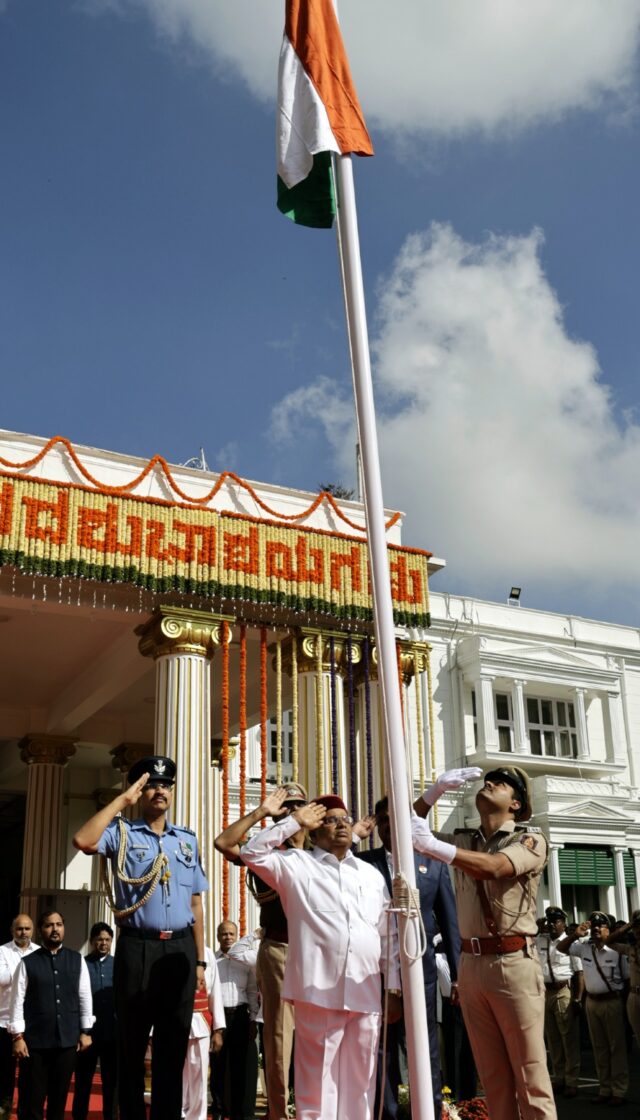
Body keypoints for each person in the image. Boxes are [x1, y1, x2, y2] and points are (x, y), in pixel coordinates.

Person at [240, 788, 402, 1120]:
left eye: (345, 820)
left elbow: (388, 937)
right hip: (319, 990)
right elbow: (251, 852)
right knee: (318, 1084)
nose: (341, 825)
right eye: (330, 820)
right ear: (315, 828)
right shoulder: (296, 865)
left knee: (361, 1082)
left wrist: (394, 987)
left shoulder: (371, 876)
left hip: (366, 989)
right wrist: (292, 821)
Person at [411, 765, 557, 1120]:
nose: (491, 783)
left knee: (530, 1075)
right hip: (472, 965)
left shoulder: (530, 839)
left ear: (517, 804)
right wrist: (432, 794)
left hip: (513, 963)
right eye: (490, 779)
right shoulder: (464, 839)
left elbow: (494, 867)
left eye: (503, 783)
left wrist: (434, 846)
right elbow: (406, 828)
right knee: (492, 1080)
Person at [72, 754, 209, 1120]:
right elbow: (83, 839)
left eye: (165, 785)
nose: (159, 791)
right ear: (139, 791)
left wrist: (199, 960)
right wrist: (121, 801)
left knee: (173, 1046)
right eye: (150, 785)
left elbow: (195, 904)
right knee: (131, 1047)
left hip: (179, 949)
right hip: (137, 947)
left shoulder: (186, 841)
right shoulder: (122, 833)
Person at [356, 794, 462, 1118]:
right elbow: (327, 865)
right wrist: (354, 836)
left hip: (421, 969)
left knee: (424, 1046)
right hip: (374, 973)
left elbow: (450, 922)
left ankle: (428, 1109)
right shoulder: (362, 862)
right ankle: (385, 1112)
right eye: (383, 820)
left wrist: (458, 975)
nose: (389, 826)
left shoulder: (433, 863)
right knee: (380, 1046)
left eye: (394, 819)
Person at [214, 781, 309, 1120]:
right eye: (285, 806)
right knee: (279, 1037)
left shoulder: (317, 854)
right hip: (281, 948)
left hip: (316, 951)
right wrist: (261, 812)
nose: (290, 812)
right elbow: (224, 843)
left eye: (296, 806)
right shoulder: (264, 855)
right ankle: (279, 1112)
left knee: (319, 1033)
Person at [9, 911, 93, 1120]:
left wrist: (86, 1031)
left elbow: (85, 997)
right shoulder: (27, 962)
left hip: (66, 1043)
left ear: (64, 927)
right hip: (34, 1045)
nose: (55, 929)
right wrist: (18, 1037)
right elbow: (17, 1001)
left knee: (59, 1101)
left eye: (59, 925)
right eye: (49, 925)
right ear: (40, 930)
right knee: (32, 1102)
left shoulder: (77, 960)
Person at [557, 912, 629, 1106]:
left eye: (601, 925)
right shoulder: (584, 948)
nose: (596, 928)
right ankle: (604, 1088)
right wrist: (575, 935)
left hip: (611, 1001)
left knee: (616, 1047)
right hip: (592, 1002)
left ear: (609, 929)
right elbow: (561, 947)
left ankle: (619, 1091)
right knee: (600, 1048)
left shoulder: (618, 951)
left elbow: (627, 979)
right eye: (594, 925)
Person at [211, 920, 259, 1120]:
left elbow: (251, 991)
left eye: (231, 934)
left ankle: (240, 1112)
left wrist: (253, 1019)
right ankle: (219, 1110)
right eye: (224, 934)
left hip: (240, 1016)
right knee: (218, 1066)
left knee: (241, 1067)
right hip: (219, 1017)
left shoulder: (245, 961)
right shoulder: (212, 961)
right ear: (217, 936)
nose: (228, 937)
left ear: (237, 936)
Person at [534, 906, 583, 1099]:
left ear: (564, 923)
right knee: (553, 1039)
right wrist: (537, 928)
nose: (552, 925)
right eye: (550, 921)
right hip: (545, 992)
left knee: (568, 1038)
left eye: (556, 921)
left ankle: (572, 1080)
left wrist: (578, 998)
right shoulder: (540, 940)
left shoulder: (569, 942)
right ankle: (559, 1077)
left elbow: (579, 973)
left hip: (564, 990)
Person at [71, 922, 117, 1120]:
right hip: (87, 1034)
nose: (103, 943)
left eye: (107, 940)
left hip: (112, 1033)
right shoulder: (81, 964)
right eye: (99, 939)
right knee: (83, 1080)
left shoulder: (118, 964)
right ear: (91, 941)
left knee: (111, 1083)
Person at [0, 914, 37, 1120]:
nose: (23, 933)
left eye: (27, 929)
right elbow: (1, 978)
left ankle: (25, 1114)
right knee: (4, 1076)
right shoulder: (2, 951)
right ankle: (3, 1113)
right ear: (12, 930)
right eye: (19, 929)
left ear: (33, 930)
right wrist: (26, 971)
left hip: (30, 1024)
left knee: (29, 1077)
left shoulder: (40, 952)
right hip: (3, 1022)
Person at [182, 945, 225, 1120]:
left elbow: (215, 990)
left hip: (201, 1020)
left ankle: (197, 1116)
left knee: (199, 1073)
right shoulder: (169, 947)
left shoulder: (207, 953)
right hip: (174, 1020)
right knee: (175, 1072)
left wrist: (218, 1029)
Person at [607, 908, 640, 1050]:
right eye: (637, 927)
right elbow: (608, 941)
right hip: (634, 996)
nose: (638, 930)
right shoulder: (630, 948)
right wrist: (629, 925)